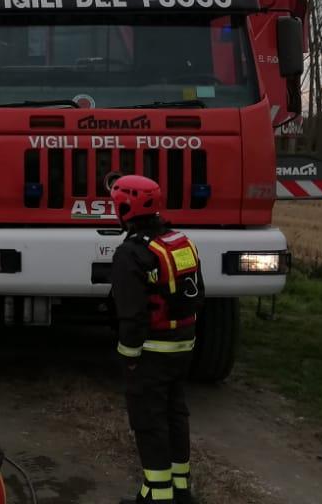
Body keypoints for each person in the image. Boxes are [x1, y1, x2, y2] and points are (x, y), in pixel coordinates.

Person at [108, 174, 203, 504]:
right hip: (183, 345)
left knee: (149, 422)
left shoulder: (131, 254)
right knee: (176, 414)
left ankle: (157, 496)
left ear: (124, 208)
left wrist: (129, 356)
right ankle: (180, 490)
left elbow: (131, 315)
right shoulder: (179, 242)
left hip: (150, 352)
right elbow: (197, 293)